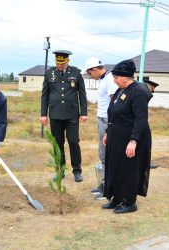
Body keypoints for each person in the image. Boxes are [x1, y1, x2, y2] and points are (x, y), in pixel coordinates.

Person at [101, 59, 151, 214]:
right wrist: (108, 133)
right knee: (115, 167)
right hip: (116, 137)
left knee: (129, 169)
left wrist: (133, 140)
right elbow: (114, 114)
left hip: (131, 138)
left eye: (116, 78)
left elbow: (141, 118)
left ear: (125, 77)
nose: (114, 81)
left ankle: (130, 202)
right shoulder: (120, 90)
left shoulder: (138, 92)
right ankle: (116, 198)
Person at [40, 50, 88, 182]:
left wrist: (84, 112)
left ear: (67, 61)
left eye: (62, 63)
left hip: (72, 114)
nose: (59, 65)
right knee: (57, 144)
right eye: (57, 62)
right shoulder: (49, 73)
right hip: (55, 114)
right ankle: (60, 170)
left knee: (73, 142)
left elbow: (82, 94)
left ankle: (77, 171)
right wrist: (43, 114)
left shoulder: (76, 73)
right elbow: (45, 94)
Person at [84, 57, 118, 200]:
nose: (90, 76)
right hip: (102, 120)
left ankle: (107, 188)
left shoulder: (110, 79)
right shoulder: (104, 79)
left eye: (90, 73)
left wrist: (111, 125)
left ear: (95, 69)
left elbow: (115, 103)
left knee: (106, 155)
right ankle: (104, 183)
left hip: (107, 121)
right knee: (102, 155)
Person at [141, 80, 160, 169]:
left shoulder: (139, 87)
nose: (151, 92)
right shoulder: (146, 91)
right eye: (152, 89)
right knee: (145, 142)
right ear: (149, 87)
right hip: (140, 121)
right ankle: (145, 163)